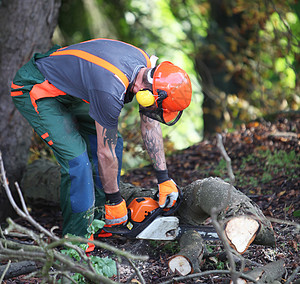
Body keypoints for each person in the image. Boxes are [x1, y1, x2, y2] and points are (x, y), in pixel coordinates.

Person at [11, 38, 192, 240]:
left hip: (70, 89)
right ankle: (77, 241)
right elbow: (105, 153)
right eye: (158, 107)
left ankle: (98, 221)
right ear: (148, 94)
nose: (155, 112)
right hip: (38, 87)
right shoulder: (111, 89)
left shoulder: (147, 70)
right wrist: (115, 200)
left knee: (115, 144)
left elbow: (150, 124)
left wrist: (164, 179)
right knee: (77, 161)